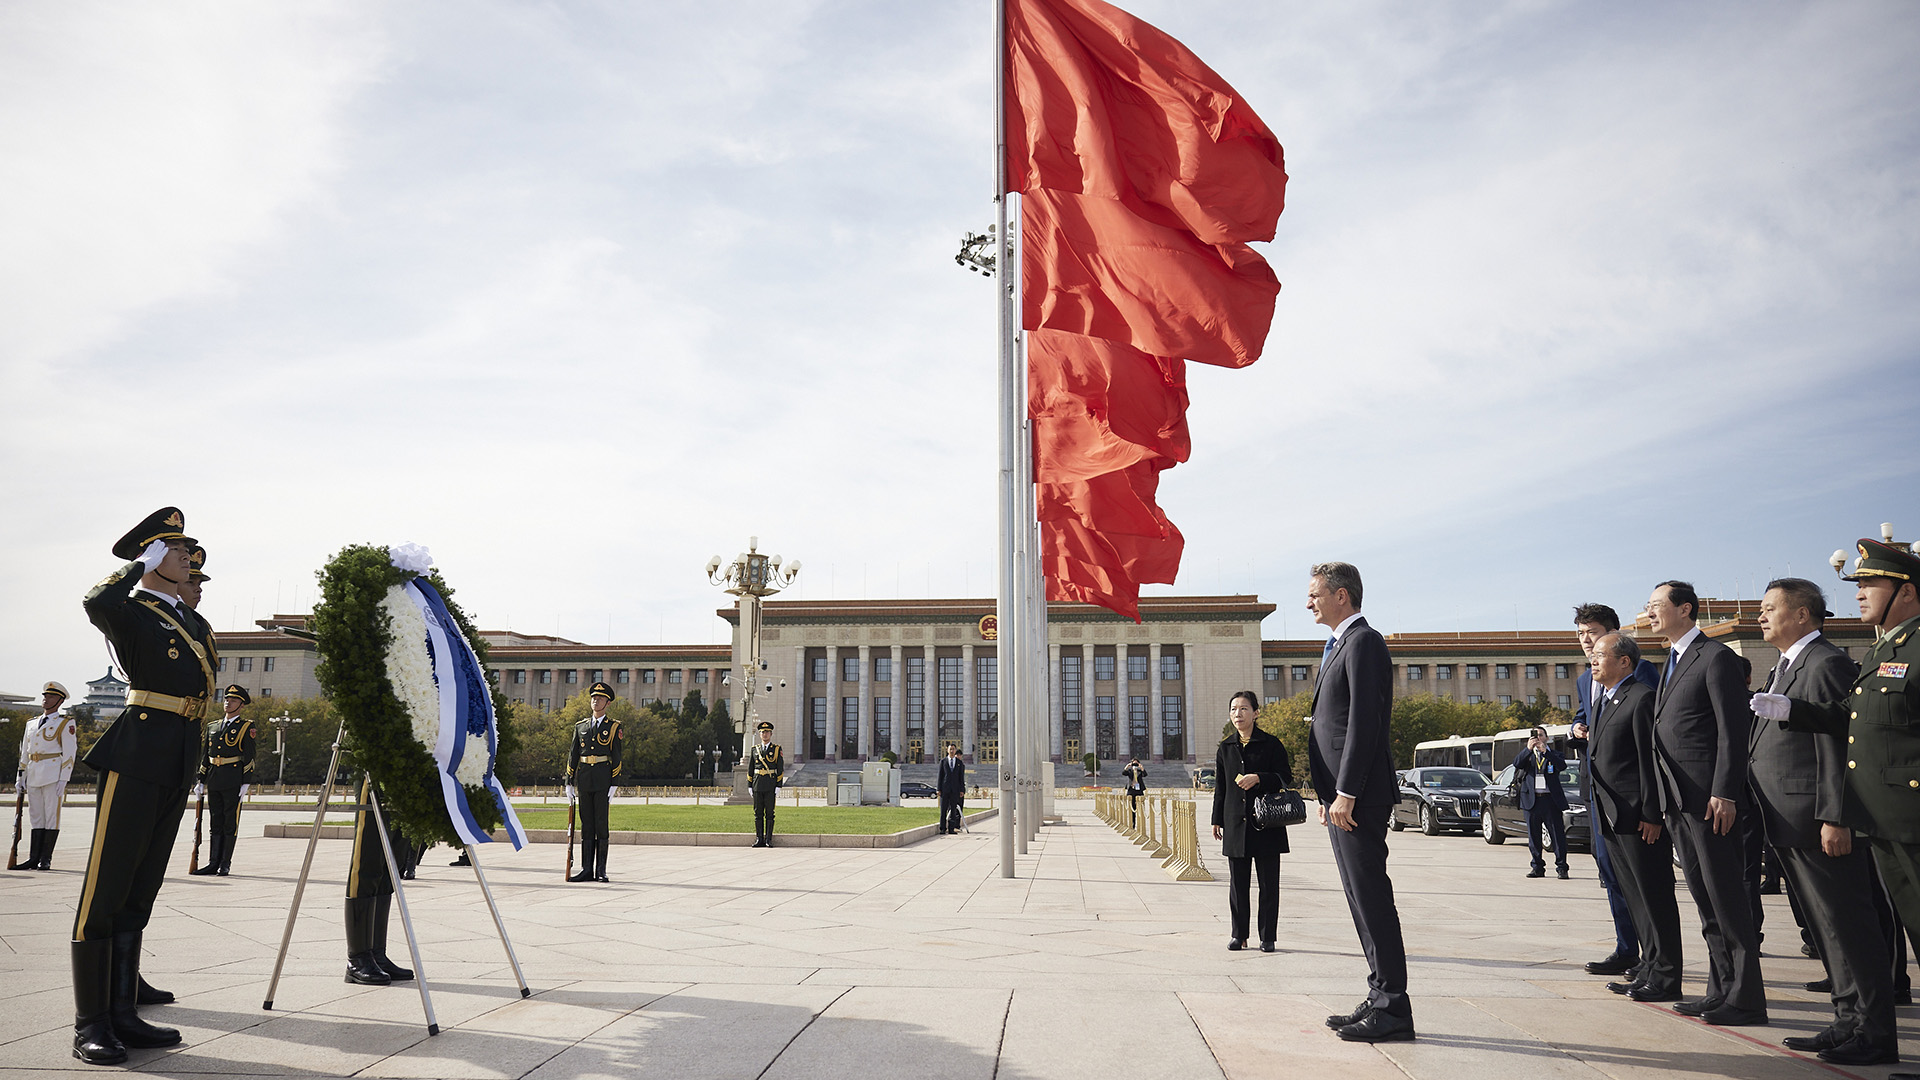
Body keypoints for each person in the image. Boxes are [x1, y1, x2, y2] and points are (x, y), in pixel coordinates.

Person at [1757, 535, 1920, 1080]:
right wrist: (1788, 708)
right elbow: (1852, 726)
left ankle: (1870, 1028)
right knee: (1833, 929)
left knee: (1853, 926)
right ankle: (1854, 1023)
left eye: (1871, 582)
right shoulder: (1883, 649)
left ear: (1908, 590)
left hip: (1885, 816)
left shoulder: (1851, 656)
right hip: (1878, 817)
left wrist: (1834, 813)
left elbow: (1839, 752)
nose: (1860, 591)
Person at [72, 508, 216, 1064]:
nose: (189, 559)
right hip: (138, 752)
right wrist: (135, 568)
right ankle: (91, 1022)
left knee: (141, 884)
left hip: (178, 754)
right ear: (152, 556)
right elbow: (96, 605)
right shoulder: (131, 611)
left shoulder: (188, 619)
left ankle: (124, 1012)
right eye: (176, 551)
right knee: (106, 886)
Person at [1646, 579, 1766, 1025]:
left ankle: (1747, 998)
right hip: (1679, 801)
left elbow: (1733, 734)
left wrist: (1725, 792)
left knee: (1728, 900)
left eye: (1657, 605)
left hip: (1710, 801)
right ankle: (1721, 989)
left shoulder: (1717, 658)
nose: (1651, 612)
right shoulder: (1672, 662)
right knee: (1705, 900)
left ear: (1686, 609)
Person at [1305, 561, 1414, 1043]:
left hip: (1358, 798)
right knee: (1358, 898)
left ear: (1342, 595)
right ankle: (1378, 995)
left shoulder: (1364, 641)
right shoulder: (1340, 645)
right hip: (1340, 799)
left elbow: (1365, 723)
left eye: (1315, 594)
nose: (1309, 603)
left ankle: (1393, 1008)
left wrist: (1346, 791)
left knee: (1372, 898)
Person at [1585, 632, 1684, 1003]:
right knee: (1635, 898)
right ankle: (1649, 966)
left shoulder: (1641, 698)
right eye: (1592, 656)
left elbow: (1650, 761)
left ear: (1624, 661)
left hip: (1639, 818)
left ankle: (1667, 975)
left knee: (1654, 896)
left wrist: (1652, 812)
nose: (1592, 661)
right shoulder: (1604, 701)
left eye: (1599, 655)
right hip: (1612, 815)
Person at [1570, 602, 1660, 976]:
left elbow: (1651, 731)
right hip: (1597, 791)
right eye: (1579, 634)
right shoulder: (1583, 678)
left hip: (1632, 795)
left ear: (1613, 633)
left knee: (1642, 880)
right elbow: (1585, 714)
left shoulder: (1640, 672)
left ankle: (1655, 956)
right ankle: (1627, 948)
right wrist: (1577, 728)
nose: (1585, 641)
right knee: (1609, 872)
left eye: (1591, 632)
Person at [1211, 690, 1291, 952]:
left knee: (1268, 885)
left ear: (1256, 712)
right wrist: (1216, 820)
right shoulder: (1226, 747)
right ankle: (1239, 934)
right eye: (1234, 709)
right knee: (1238, 884)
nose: (1238, 714)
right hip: (1236, 823)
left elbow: (1284, 777)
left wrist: (1259, 778)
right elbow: (1220, 787)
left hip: (1267, 824)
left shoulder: (1271, 744)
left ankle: (1267, 937)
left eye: (1244, 709)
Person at [343, 774, 414, 986]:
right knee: (369, 858)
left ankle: (376, 954)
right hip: (374, 767)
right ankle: (358, 958)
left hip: (409, 768)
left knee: (391, 863)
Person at [190, 685, 256, 877]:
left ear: (241, 705)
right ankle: (213, 862)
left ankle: (225, 863)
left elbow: (250, 755)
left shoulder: (246, 727)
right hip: (214, 779)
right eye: (227, 699)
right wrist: (200, 779)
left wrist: (246, 782)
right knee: (215, 822)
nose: (228, 703)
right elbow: (205, 756)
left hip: (233, 779)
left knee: (229, 823)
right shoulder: (213, 726)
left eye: (233, 700)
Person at [16, 680, 76, 871]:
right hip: (33, 772)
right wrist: (20, 775)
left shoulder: (65, 723)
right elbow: (24, 751)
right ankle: (33, 858)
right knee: (36, 816)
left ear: (59, 701)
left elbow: (69, 752)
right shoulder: (31, 723)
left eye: (50, 696)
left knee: (51, 816)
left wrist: (64, 778)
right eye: (45, 696)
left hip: (52, 773)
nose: (45, 699)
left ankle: (45, 858)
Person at [566, 682, 622, 882]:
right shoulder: (580, 726)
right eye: (593, 698)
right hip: (584, 779)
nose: (595, 701)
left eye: (599, 699)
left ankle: (601, 870)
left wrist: (614, 783)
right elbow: (573, 754)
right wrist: (569, 781)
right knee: (586, 824)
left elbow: (616, 756)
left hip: (602, 780)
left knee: (601, 824)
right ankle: (586, 869)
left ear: (607, 703)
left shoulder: (614, 727)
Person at [1511, 727, 1570, 879]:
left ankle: (1562, 867)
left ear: (1547, 738)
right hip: (1532, 800)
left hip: (1550, 800)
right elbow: (1516, 764)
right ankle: (1537, 867)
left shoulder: (1554, 754)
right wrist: (1528, 749)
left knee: (1557, 836)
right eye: (1535, 736)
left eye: (1541, 735)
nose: (1538, 738)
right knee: (1534, 836)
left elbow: (1562, 766)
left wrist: (1546, 752)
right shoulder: (1528, 756)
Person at [748, 719, 784, 847]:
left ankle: (768, 839)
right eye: (763, 732)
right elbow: (751, 768)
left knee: (769, 813)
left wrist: (779, 785)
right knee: (758, 813)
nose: (765, 734)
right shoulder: (754, 750)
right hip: (757, 784)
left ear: (771, 734)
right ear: (759, 734)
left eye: (767, 732)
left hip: (770, 784)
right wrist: (749, 785)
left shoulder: (776, 749)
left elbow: (780, 768)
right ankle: (759, 839)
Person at [937, 743, 966, 834]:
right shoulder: (943, 761)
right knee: (943, 810)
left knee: (953, 810)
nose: (952, 751)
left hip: (955, 790)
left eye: (953, 749)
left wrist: (962, 790)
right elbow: (940, 776)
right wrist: (938, 789)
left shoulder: (959, 763)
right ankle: (942, 828)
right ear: (947, 750)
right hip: (945, 789)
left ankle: (951, 829)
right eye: (950, 749)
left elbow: (961, 778)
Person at [1123, 756, 1147, 828]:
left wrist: (1141, 768)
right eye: (1134, 764)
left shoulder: (1140, 772)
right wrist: (1127, 766)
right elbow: (1124, 773)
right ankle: (1132, 823)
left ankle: (1141, 823)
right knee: (1132, 808)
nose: (1135, 766)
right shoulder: (1130, 771)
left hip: (1139, 790)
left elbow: (1145, 774)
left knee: (1140, 807)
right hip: (1131, 790)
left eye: (1136, 764)